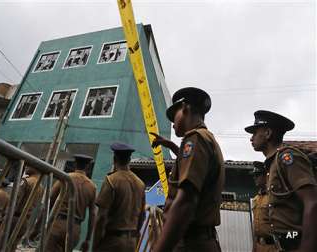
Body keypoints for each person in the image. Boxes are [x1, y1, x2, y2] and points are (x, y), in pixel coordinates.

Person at [151, 87, 224, 252]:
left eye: (174, 114)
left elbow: (185, 201)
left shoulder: (195, 139)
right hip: (202, 240)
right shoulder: (207, 139)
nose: (172, 122)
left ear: (185, 108)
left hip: (190, 243)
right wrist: (170, 145)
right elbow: (190, 165)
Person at [245, 110, 317, 252]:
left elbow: (313, 202)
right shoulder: (273, 164)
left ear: (267, 133)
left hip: (294, 244)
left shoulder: (287, 157)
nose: (251, 138)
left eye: (254, 133)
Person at [93, 142, 146, 252]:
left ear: (114, 159)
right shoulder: (140, 184)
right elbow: (142, 216)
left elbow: (101, 217)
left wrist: (95, 244)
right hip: (131, 243)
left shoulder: (111, 180)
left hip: (112, 242)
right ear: (129, 160)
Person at [0, 166, 43, 252]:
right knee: (10, 247)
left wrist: (4, 219)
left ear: (36, 169)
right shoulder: (40, 187)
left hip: (13, 219)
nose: (26, 167)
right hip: (24, 221)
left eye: (29, 166)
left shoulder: (26, 181)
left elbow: (15, 201)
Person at [45, 154, 97, 252]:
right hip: (74, 229)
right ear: (88, 167)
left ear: (74, 164)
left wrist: (43, 223)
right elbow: (93, 214)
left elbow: (50, 200)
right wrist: (88, 239)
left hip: (57, 224)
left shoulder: (65, 178)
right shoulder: (92, 187)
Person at [250, 161, 275, 252]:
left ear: (266, 176)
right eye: (254, 175)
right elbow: (256, 226)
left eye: (257, 175)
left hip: (273, 246)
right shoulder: (256, 198)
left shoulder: (273, 197)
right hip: (259, 246)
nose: (254, 178)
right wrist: (254, 247)